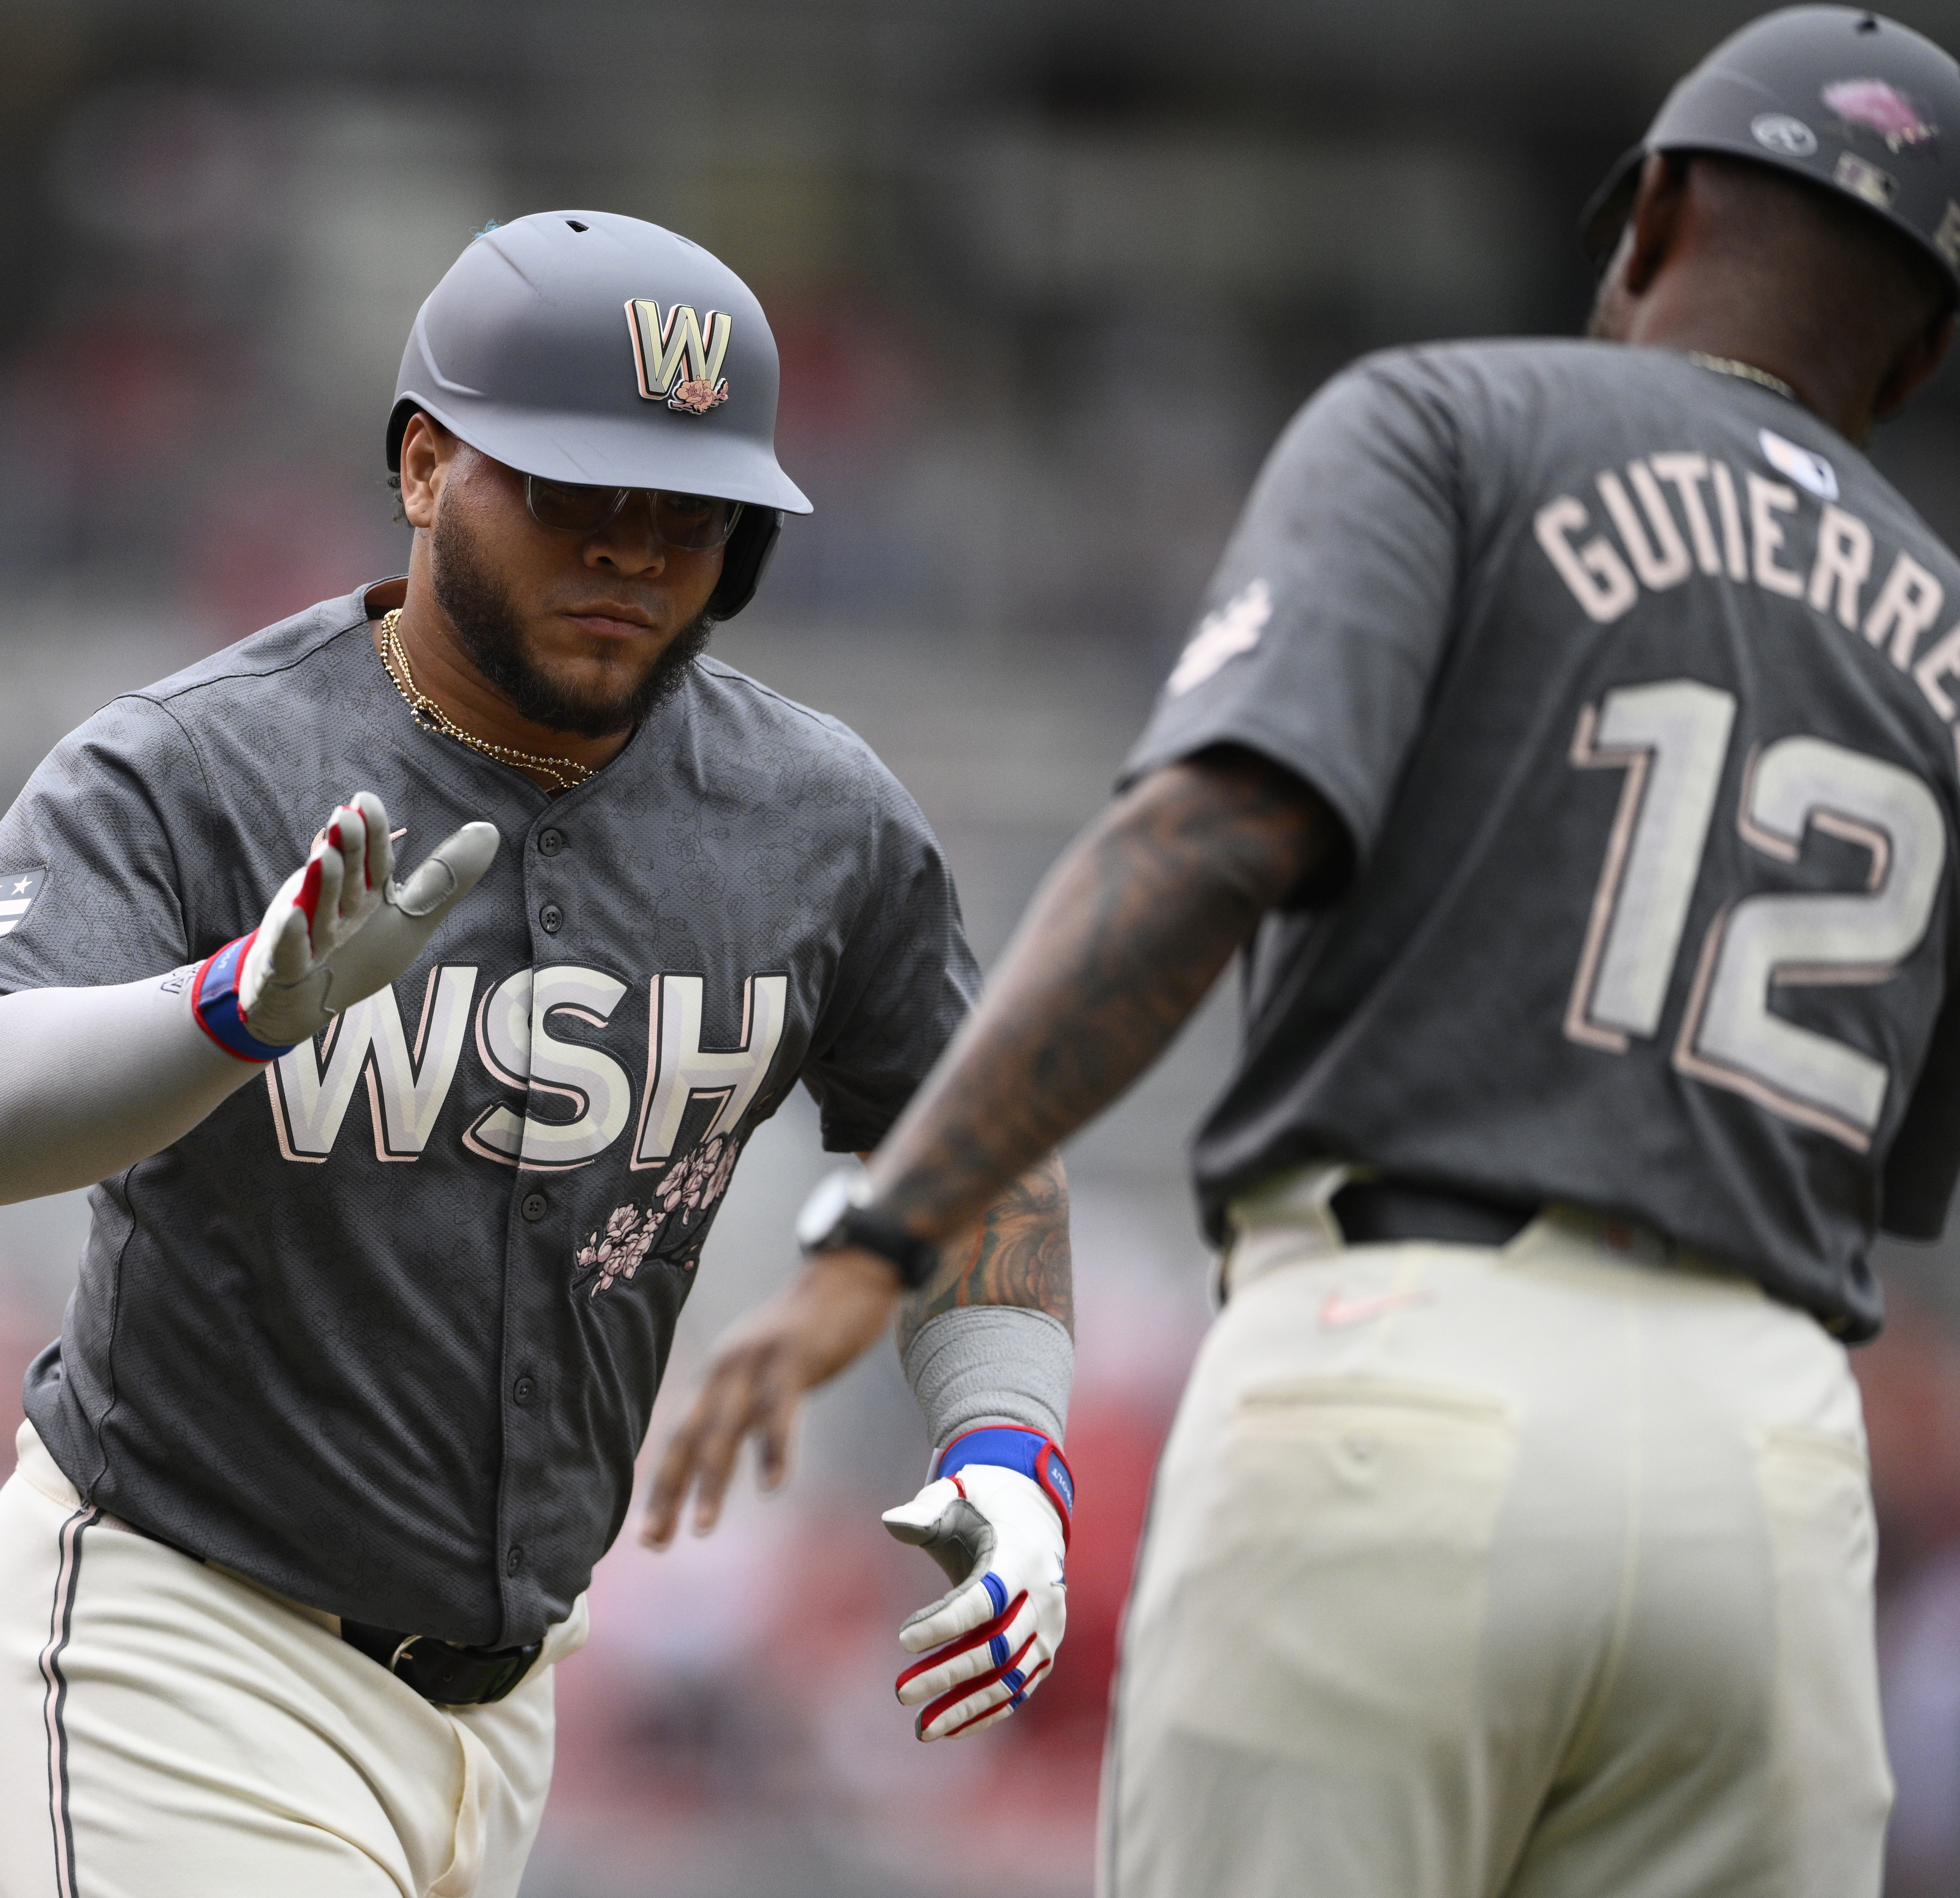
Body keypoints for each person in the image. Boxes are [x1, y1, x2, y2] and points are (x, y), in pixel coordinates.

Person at [648, 9, 1960, 1893]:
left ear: (1654, 213)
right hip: (1775, 1470)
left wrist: (891, 1233)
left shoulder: (1450, 419)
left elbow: (1211, 835)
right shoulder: (1947, 630)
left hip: (1407, 1381)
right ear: (1921, 351)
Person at [0, 209, 1067, 1898]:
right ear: (428, 468)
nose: (635, 552)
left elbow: (981, 1147)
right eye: (580, 494)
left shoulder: (821, 823)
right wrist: (234, 1006)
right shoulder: (200, 762)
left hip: (506, 1717)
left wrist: (1009, 1443)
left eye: (692, 513)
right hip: (178, 1644)